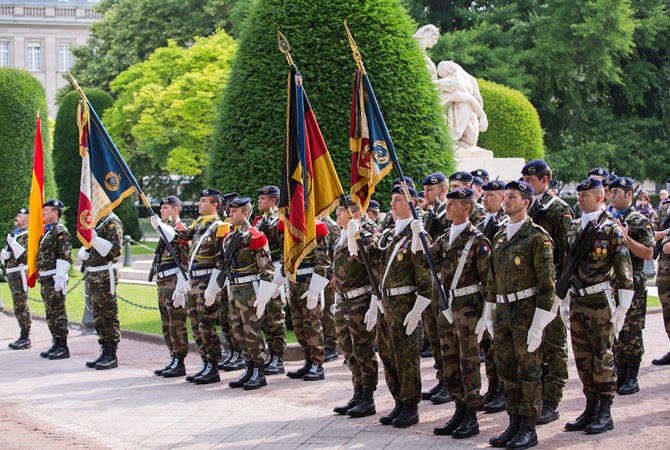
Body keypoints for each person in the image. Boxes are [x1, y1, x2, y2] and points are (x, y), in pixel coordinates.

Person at [485, 181, 556, 449]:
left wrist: (538, 324)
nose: (505, 201)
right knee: (507, 370)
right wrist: (489, 313)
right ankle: (513, 422)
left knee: (529, 371)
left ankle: (528, 427)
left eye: (512, 197)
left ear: (525, 203)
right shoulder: (500, 236)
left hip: (525, 312)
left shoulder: (537, 236)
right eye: (505, 196)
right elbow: (492, 280)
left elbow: (547, 285)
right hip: (503, 312)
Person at [562, 178, 634, 435]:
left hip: (600, 301)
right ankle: (590, 406)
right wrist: (563, 300)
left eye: (586, 196)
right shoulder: (572, 227)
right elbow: (564, 265)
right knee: (582, 357)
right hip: (578, 299)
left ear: (600, 198)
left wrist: (622, 309)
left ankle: (605, 410)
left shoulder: (611, 230)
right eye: (579, 196)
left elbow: (625, 274)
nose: (580, 199)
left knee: (602, 356)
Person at [367, 185, 432, 428]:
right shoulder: (389, 234)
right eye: (392, 200)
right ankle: (398, 402)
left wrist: (417, 311)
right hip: (386, 303)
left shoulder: (418, 234)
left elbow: (425, 278)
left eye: (398, 200)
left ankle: (410, 406)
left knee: (406, 357)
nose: (392, 204)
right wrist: (353, 234)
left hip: (405, 304)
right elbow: (370, 257)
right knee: (388, 355)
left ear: (412, 204)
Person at [430, 188, 491, 439]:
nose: (448, 207)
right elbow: (426, 260)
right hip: (447, 306)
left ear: (467, 208)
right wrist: (417, 237)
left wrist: (487, 315)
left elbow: (489, 281)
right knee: (450, 361)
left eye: (453, 203)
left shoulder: (478, 240)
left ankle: (472, 415)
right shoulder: (444, 237)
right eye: (448, 203)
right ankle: (458, 409)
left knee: (469, 362)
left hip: (469, 307)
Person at [152, 188, 229, 384]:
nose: (199, 204)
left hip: (206, 283)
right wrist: (160, 226)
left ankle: (212, 366)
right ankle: (205, 364)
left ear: (214, 205)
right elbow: (179, 236)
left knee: (206, 326)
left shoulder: (220, 227)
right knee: (196, 326)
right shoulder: (197, 225)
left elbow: (222, 260)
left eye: (203, 201)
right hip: (194, 283)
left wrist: (214, 286)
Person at [521, 159, 574, 425]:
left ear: (545, 181)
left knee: (553, 344)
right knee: (534, 345)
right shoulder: (525, 206)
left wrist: (559, 292)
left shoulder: (558, 210)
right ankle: (537, 396)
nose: (526, 184)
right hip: (527, 288)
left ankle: (552, 399)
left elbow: (566, 255)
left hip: (549, 288)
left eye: (530, 181)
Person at [217, 197, 275, 390]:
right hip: (234, 289)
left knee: (252, 332)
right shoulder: (229, 236)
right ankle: (249, 367)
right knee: (238, 331)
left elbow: (267, 269)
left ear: (245, 213)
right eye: (230, 211)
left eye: (234, 212)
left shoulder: (255, 236)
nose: (230, 214)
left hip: (250, 289)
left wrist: (263, 298)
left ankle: (259, 371)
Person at [332, 196, 379, 418]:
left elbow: (373, 271)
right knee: (348, 351)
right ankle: (357, 392)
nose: (337, 214)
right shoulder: (339, 238)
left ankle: (368, 397)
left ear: (356, 215)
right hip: (343, 302)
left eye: (342, 210)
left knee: (363, 351)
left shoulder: (365, 238)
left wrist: (373, 305)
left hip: (360, 302)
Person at [610, 177, 654, 394]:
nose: (612, 195)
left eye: (617, 191)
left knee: (632, 329)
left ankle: (632, 377)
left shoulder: (638, 220)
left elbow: (647, 253)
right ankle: (620, 372)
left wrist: (625, 235)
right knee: (616, 329)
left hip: (632, 282)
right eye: (610, 191)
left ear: (629, 194)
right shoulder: (607, 219)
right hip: (611, 282)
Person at [283, 216, 332, 381]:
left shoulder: (317, 228)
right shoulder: (291, 227)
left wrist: (315, 288)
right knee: (298, 326)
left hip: (309, 283)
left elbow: (323, 262)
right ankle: (308, 361)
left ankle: (317, 364)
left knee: (312, 325)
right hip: (294, 282)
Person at [476, 180, 508, 413]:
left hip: (498, 291)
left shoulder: (506, 224)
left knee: (499, 344)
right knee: (488, 344)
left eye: (490, 196)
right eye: (484, 195)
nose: (485, 199)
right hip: (482, 290)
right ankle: (493, 387)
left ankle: (504, 391)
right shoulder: (481, 223)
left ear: (503, 198)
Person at [420, 172, 451, 405]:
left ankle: (451, 382)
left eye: (430, 190)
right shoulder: (428, 214)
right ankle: (442, 378)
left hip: (444, 279)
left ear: (442, 189)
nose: (425, 194)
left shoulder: (448, 213)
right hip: (429, 281)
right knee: (433, 334)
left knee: (445, 334)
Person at [150, 196, 190, 378]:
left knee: (176, 323)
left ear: (176, 210)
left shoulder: (180, 230)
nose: (161, 211)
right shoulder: (167, 230)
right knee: (166, 324)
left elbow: (186, 259)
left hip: (174, 282)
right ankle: (173, 357)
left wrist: (182, 284)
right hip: (163, 282)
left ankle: (180, 360)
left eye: (165, 208)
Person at [79, 210, 123, 370]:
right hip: (93, 276)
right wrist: (85, 252)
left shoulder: (111, 220)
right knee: (98, 316)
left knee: (108, 315)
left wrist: (96, 240)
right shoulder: (97, 221)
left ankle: (111, 353)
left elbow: (115, 251)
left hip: (104, 276)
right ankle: (104, 350)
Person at [254, 185, 287, 375]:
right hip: (262, 272)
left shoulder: (280, 221)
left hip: (274, 271)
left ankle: (278, 358)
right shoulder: (259, 221)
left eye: (263, 198)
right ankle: (270, 355)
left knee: (275, 317)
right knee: (265, 317)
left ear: (273, 201)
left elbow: (285, 249)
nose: (259, 201)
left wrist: (279, 278)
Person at [37, 200, 73, 360]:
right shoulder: (47, 231)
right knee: (50, 312)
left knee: (58, 312)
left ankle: (63, 346)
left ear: (55, 212)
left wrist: (60, 276)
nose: (43, 213)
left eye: (46, 210)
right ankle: (56, 343)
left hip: (54, 276)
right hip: (46, 277)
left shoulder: (60, 230)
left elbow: (64, 254)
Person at [218, 191, 245, 372]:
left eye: (227, 206)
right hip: (226, 278)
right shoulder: (223, 228)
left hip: (239, 280)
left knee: (239, 320)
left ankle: (239, 353)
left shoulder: (238, 230)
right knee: (226, 318)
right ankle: (232, 350)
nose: (225, 210)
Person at [2, 208, 31, 350]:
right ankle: (22, 333)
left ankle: (25, 336)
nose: (16, 218)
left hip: (20, 273)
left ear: (28, 220)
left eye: (20, 216)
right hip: (12, 273)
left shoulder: (27, 234)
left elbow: (25, 256)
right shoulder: (16, 233)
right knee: (17, 305)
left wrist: (13, 244)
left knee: (21, 305)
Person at [322, 214, 341, 363]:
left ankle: (331, 346)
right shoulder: (312, 224)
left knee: (328, 312)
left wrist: (334, 275)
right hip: (316, 274)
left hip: (327, 276)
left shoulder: (331, 226)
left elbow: (336, 252)